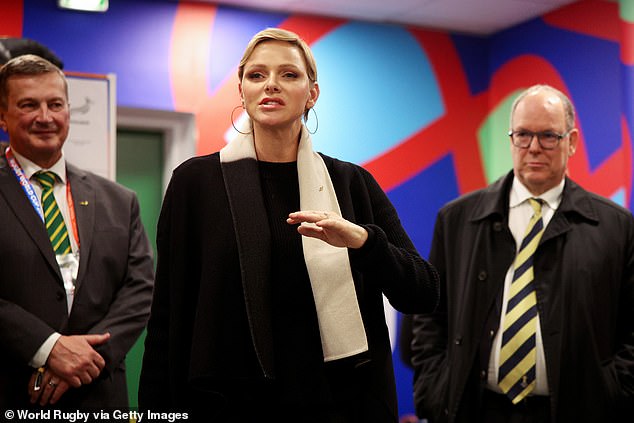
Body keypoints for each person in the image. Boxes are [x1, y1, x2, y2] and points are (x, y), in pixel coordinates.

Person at [139, 27, 439, 422]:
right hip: (226, 405)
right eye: (257, 75)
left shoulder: (351, 184)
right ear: (242, 90)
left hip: (338, 403)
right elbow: (168, 313)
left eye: (289, 75)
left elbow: (423, 293)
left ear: (312, 93)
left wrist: (364, 241)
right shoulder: (196, 183)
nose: (271, 86)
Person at [411, 84, 634, 422]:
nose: (533, 148)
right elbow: (429, 313)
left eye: (548, 136)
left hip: (576, 411)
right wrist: (435, 388)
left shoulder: (616, 227)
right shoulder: (457, 219)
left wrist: (613, 393)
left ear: (571, 141)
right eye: (523, 135)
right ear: (511, 139)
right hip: (479, 409)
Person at [0, 54, 154, 409]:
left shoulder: (119, 200)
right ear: (3, 116)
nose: (45, 117)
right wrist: (49, 347)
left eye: (55, 104)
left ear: (68, 110)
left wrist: (87, 359)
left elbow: (141, 288)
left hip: (99, 397)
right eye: (28, 105)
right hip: (15, 391)